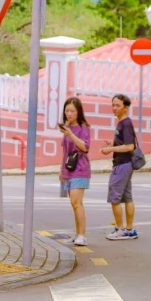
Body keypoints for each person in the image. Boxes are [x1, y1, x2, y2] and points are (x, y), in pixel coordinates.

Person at [102, 92, 138, 240]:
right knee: (127, 197)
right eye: (113, 105)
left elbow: (130, 146)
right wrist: (112, 144)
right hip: (125, 164)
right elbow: (124, 143)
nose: (114, 108)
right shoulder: (121, 123)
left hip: (122, 164)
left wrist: (111, 149)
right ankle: (129, 230)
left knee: (115, 198)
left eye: (118, 105)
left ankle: (120, 229)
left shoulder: (126, 123)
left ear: (126, 107)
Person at [58, 97, 91, 246]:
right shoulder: (66, 127)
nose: (69, 114)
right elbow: (65, 151)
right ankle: (77, 233)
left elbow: (85, 147)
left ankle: (82, 235)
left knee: (76, 202)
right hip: (69, 169)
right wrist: (62, 171)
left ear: (78, 112)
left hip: (81, 168)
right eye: (67, 111)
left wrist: (71, 134)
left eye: (72, 111)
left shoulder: (83, 128)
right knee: (74, 204)